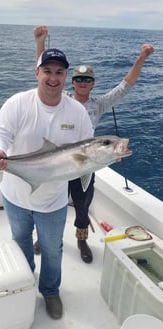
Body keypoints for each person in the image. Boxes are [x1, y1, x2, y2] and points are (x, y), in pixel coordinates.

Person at [0, 48, 93, 320]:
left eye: (59, 72)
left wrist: (104, 156)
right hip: (15, 194)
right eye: (47, 71)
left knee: (53, 250)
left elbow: (89, 149)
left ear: (66, 76)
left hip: (53, 201)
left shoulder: (77, 111)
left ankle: (50, 290)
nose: (52, 77)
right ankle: (25, 285)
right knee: (20, 241)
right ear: (37, 73)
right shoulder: (18, 103)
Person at [33, 25, 154, 263]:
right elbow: (42, 74)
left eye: (87, 79)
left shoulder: (98, 104)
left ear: (92, 83)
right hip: (58, 162)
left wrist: (141, 58)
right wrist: (40, 43)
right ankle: (44, 238)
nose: (83, 82)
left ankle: (81, 239)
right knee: (48, 204)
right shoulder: (62, 99)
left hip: (86, 165)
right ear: (72, 82)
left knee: (82, 205)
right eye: (78, 78)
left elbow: (125, 86)